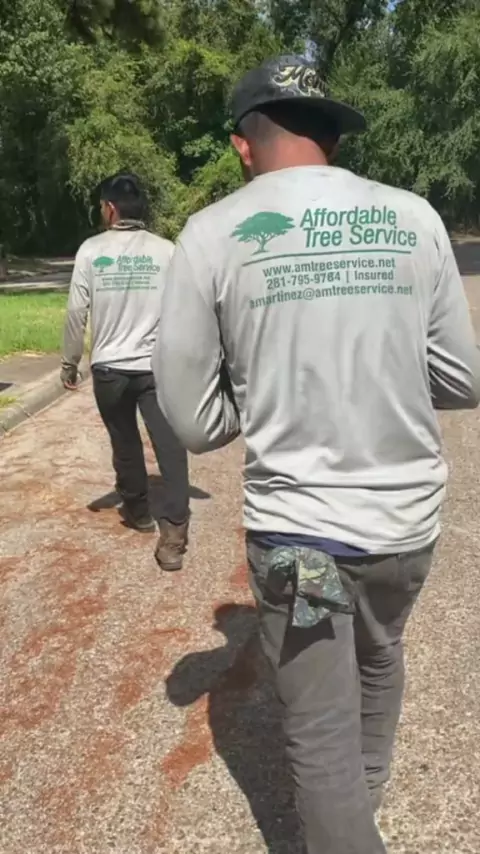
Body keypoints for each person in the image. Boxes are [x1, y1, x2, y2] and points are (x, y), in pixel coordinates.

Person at [151, 55, 480, 853]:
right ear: (332, 136)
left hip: (302, 539)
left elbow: (192, 421)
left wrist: (254, 400)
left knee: (320, 731)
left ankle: (346, 830)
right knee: (381, 656)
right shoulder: (414, 218)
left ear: (242, 145)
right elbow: (462, 378)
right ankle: (358, 815)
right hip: (406, 525)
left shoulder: (211, 235)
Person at [61, 172, 190, 571]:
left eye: (102, 206)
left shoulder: (90, 251)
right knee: (169, 445)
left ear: (111, 209)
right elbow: (186, 309)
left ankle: (137, 511)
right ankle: (175, 533)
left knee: (125, 440)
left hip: (109, 371)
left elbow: (76, 312)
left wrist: (69, 362)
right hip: (156, 368)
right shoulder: (167, 251)